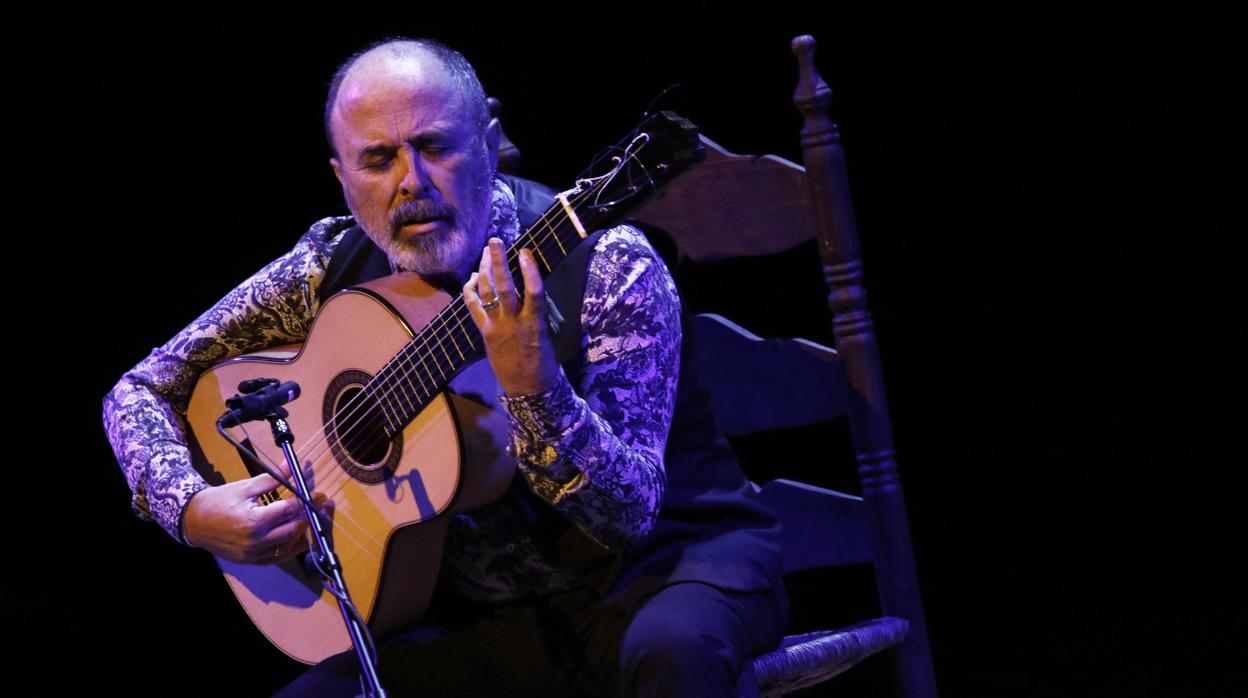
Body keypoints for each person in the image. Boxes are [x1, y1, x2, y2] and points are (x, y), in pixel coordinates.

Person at [102, 38, 787, 697]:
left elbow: (626, 516)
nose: (411, 182)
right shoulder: (325, 267)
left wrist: (535, 387)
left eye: (434, 147)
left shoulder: (608, 264)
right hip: (484, 620)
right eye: (377, 160)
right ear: (342, 178)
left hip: (661, 575)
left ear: (489, 142)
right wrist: (189, 509)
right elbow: (141, 388)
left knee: (671, 653)